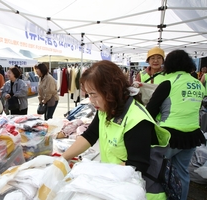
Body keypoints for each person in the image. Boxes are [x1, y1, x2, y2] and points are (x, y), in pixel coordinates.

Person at [62, 60, 171, 200]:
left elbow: (137, 165)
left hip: (139, 191)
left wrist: (96, 176)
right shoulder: (106, 109)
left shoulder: (136, 119)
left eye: (94, 94)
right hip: (115, 184)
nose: (91, 100)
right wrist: (62, 159)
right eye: (89, 94)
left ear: (111, 91)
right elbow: (90, 135)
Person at [146, 50, 206, 200]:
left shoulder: (169, 82)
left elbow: (151, 110)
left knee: (156, 170)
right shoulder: (198, 83)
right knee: (182, 171)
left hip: (169, 135)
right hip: (192, 135)